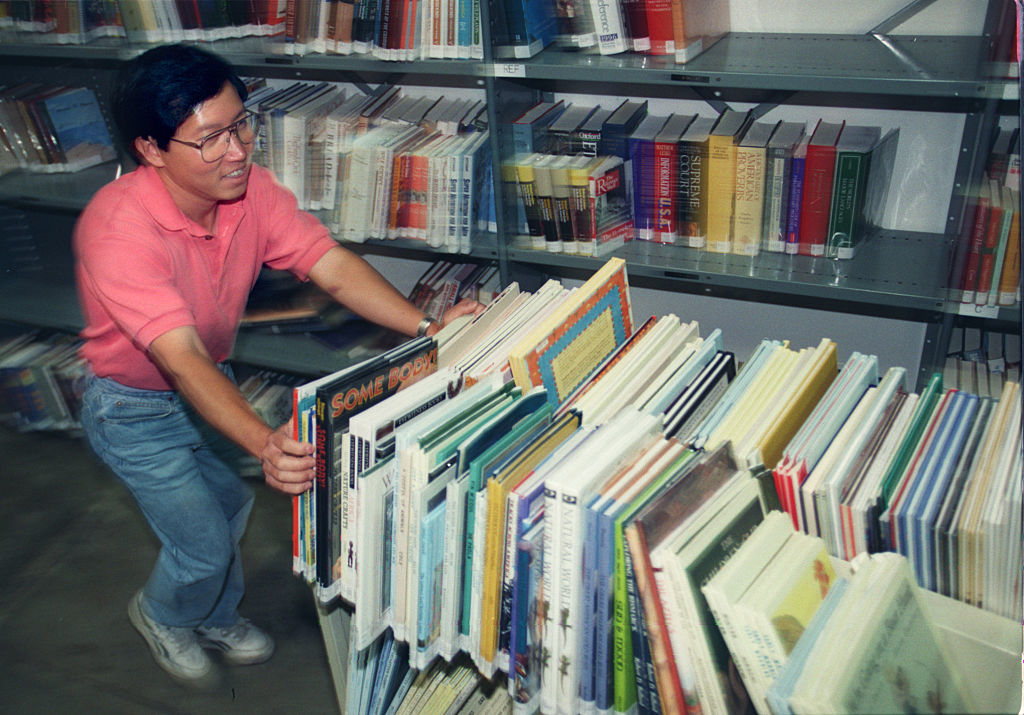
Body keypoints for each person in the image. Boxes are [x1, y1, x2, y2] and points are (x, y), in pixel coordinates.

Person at [73, 43, 482, 685]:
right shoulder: (117, 228)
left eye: (241, 125)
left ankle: (208, 610)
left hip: (212, 380)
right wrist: (266, 441)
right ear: (152, 149)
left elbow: (332, 266)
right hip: (132, 406)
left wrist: (430, 326)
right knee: (203, 542)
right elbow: (179, 358)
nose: (237, 151)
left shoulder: (250, 192)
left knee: (230, 508)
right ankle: (161, 613)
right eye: (210, 140)